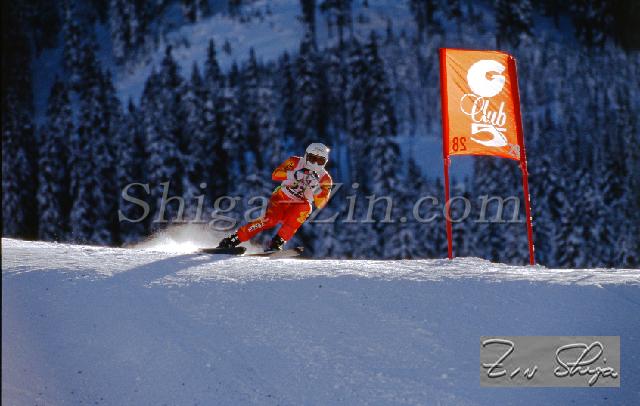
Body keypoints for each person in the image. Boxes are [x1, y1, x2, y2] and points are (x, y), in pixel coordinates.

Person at [218, 143, 333, 251]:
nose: (315, 164)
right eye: (312, 159)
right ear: (306, 156)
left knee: (306, 208)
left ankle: (278, 242)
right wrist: (293, 174)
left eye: (320, 161)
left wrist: (316, 188)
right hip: (282, 197)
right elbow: (275, 174)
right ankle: (235, 238)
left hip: (298, 205)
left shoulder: (325, 179)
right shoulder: (295, 161)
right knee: (270, 220)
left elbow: (321, 203)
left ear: (325, 162)